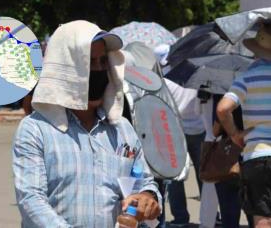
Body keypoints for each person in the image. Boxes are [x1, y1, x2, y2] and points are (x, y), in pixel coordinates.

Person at [12, 20, 161, 228]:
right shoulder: (36, 130)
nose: (99, 70)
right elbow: (31, 201)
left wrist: (148, 197)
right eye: (90, 63)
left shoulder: (122, 129)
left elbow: (143, 181)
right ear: (65, 68)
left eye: (102, 62)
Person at [217, 23, 271, 228]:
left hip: (256, 156)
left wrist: (235, 134)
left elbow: (223, 109)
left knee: (263, 221)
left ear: (256, 48)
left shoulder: (246, 77)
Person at [163, 78, 205, 227]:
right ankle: (210, 215)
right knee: (204, 176)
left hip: (176, 131)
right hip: (200, 128)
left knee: (175, 177)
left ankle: (181, 218)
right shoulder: (201, 77)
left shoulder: (167, 80)